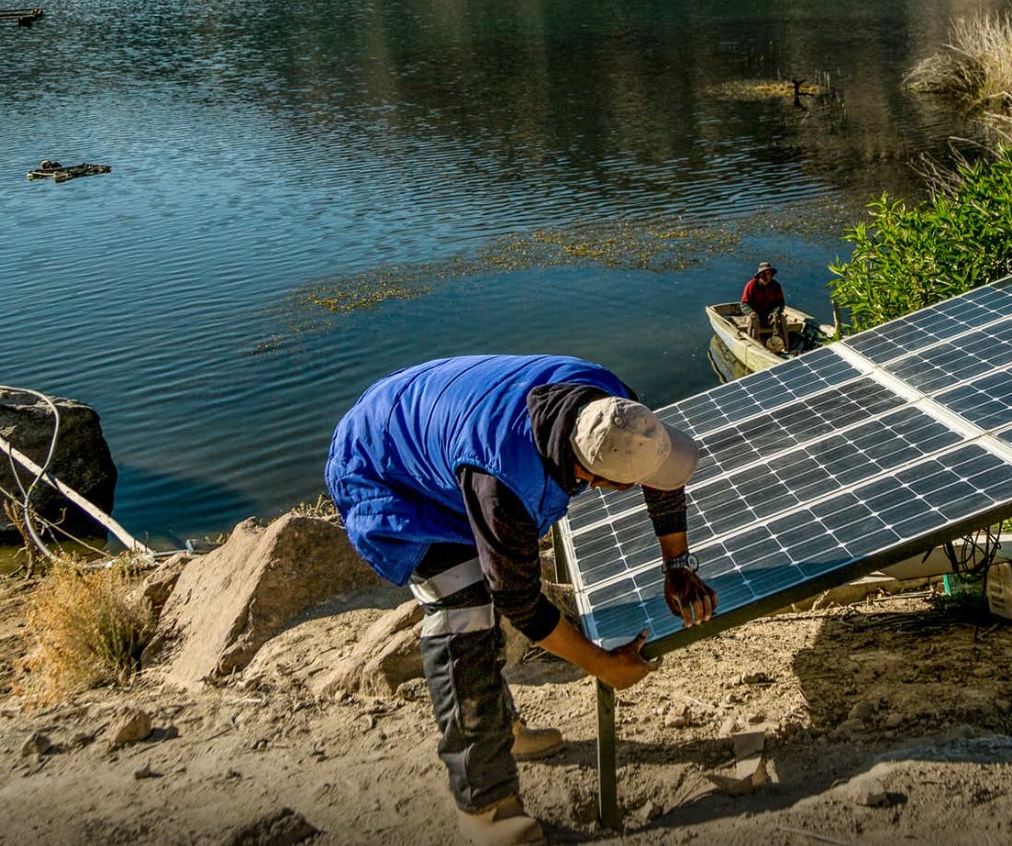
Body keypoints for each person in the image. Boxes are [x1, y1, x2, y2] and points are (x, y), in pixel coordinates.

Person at [326, 355, 717, 845]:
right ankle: (484, 808)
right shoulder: (503, 484)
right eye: (626, 484)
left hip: (433, 427)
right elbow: (521, 602)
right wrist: (600, 664)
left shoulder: (610, 407)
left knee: (485, 586)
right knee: (463, 611)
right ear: (593, 478)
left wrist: (676, 565)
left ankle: (501, 730)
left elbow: (661, 473)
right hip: (384, 470)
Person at [742, 261, 786, 348]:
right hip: (756, 314)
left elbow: (780, 303)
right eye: (763, 274)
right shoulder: (751, 285)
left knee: (782, 319)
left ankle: (784, 345)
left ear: (771, 275)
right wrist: (751, 312)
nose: (766, 277)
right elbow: (744, 304)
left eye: (768, 274)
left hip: (769, 314)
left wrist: (775, 312)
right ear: (759, 275)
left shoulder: (776, 286)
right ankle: (755, 345)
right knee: (752, 320)